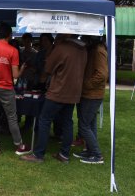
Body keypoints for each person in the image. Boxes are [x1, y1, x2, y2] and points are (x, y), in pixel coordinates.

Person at [21, 34, 87, 163]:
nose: (56, 37)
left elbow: (48, 68)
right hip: (73, 92)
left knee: (44, 120)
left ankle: (38, 155)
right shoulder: (82, 49)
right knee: (67, 122)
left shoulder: (62, 48)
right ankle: (64, 154)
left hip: (58, 91)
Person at [0, 22, 30, 157]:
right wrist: (22, 69)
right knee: (12, 117)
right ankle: (19, 145)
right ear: (9, 35)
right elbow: (15, 75)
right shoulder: (13, 51)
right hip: (6, 88)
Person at [73, 36, 108, 164]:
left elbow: (102, 74)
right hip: (90, 93)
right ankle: (90, 150)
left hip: (92, 94)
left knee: (84, 126)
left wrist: (86, 84)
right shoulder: (94, 49)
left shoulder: (98, 50)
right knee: (90, 125)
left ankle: (97, 155)